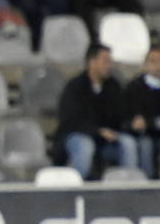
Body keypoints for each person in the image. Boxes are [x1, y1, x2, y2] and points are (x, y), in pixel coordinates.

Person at [56, 42, 140, 179]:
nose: (109, 65)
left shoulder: (113, 86)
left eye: (110, 61)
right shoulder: (75, 87)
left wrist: (128, 124)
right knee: (85, 145)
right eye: (105, 61)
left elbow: (120, 115)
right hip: (77, 136)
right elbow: (70, 121)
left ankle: (129, 187)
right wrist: (97, 131)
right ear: (92, 62)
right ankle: (78, 191)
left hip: (104, 141)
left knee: (128, 143)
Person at [124, 46, 160, 178]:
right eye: (153, 61)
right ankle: (147, 184)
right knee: (145, 144)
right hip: (143, 136)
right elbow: (132, 118)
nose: (158, 66)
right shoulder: (134, 88)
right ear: (145, 65)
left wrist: (149, 122)